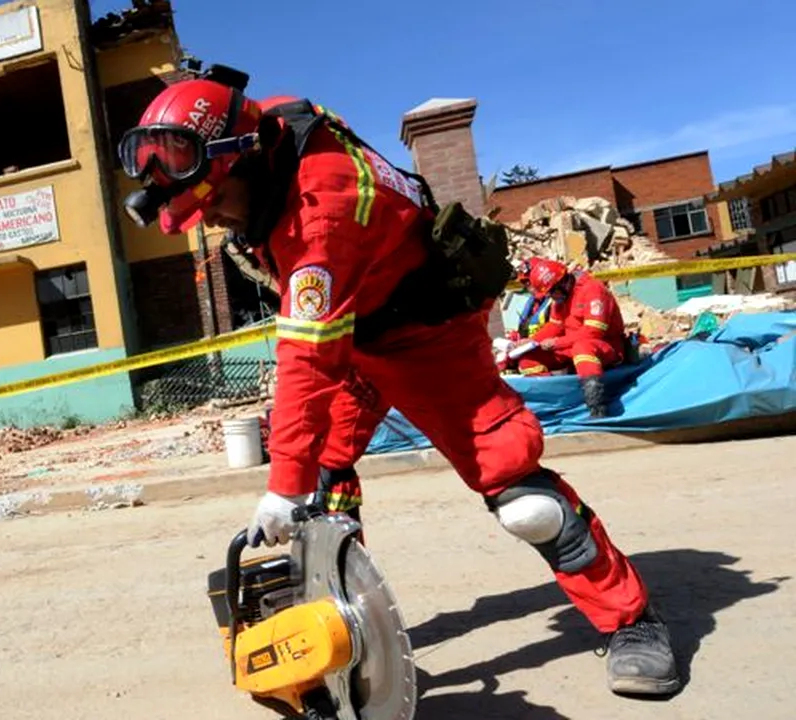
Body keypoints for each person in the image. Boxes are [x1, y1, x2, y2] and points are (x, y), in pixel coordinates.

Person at [115, 65, 679, 696]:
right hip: (355, 329)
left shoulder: (321, 206)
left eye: (216, 202)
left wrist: (279, 485)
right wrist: (296, 483)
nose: (216, 220)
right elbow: (318, 342)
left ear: (243, 161)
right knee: (322, 492)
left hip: (424, 337)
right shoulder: (266, 127)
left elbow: (307, 357)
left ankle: (630, 620)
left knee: (525, 503)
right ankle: (345, 623)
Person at [516, 258, 628, 417]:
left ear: (561, 284)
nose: (550, 298)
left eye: (551, 293)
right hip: (571, 347)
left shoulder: (593, 290)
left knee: (582, 348)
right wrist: (532, 341)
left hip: (605, 348)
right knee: (528, 360)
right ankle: (558, 402)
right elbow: (555, 326)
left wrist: (557, 343)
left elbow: (594, 332)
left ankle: (597, 407)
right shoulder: (561, 298)